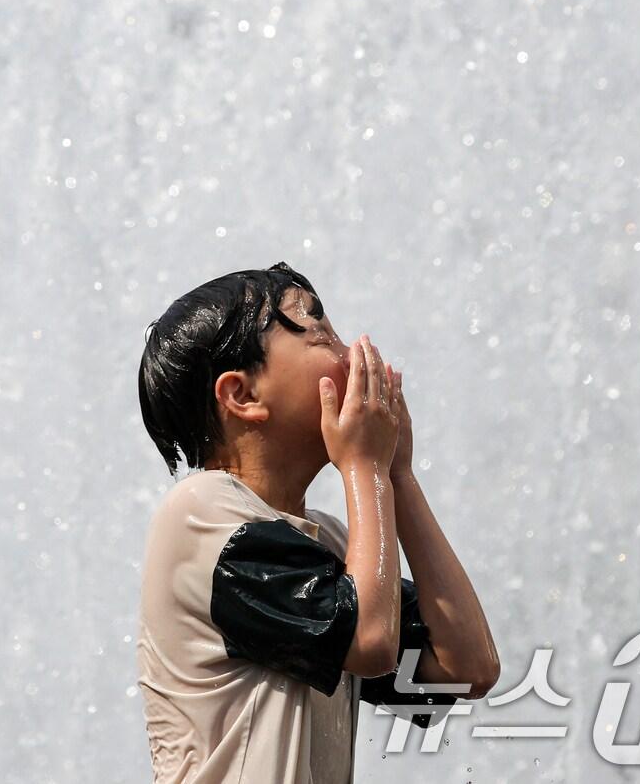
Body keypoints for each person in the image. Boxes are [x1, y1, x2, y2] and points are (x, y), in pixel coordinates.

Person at [136, 261, 501, 783]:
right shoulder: (201, 514)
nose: (353, 355)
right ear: (242, 396)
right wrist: (366, 467)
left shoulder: (324, 541)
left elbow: (464, 671)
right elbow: (370, 643)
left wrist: (399, 477)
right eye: (317, 332)